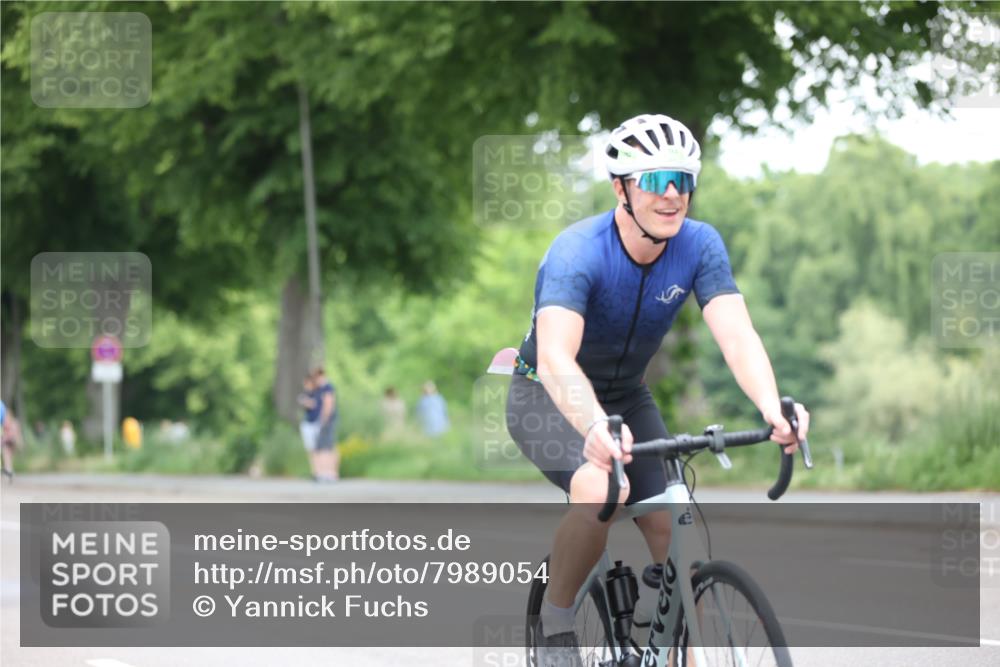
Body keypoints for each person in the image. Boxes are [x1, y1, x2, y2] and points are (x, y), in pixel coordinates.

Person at [505, 113, 810, 666]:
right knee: (601, 490)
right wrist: (593, 428)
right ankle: (555, 625)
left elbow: (737, 334)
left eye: (682, 180)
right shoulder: (579, 253)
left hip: (627, 397)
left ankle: (660, 640)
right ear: (621, 188)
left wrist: (773, 408)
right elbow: (555, 358)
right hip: (546, 395)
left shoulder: (699, 245)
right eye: (653, 180)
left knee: (677, 529)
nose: (671, 194)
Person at [311, 367, 339, 482]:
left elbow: (328, 403)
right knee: (324, 447)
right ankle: (325, 472)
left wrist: (324, 418)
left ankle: (330, 473)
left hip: (326, 420)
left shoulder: (327, 387)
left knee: (327, 447)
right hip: (325, 420)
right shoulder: (322, 388)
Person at [297, 374, 321, 478]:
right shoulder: (305, 394)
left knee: (319, 448)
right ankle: (314, 471)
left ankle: (321, 470)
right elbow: (303, 401)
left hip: (317, 423)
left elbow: (314, 404)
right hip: (307, 423)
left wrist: (308, 402)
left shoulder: (318, 393)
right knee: (310, 449)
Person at [2, 407, 23, 481]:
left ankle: (8, 470)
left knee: (7, 456)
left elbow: (3, 433)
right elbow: (18, 433)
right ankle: (9, 470)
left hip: (7, 441)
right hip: (12, 441)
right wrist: (20, 442)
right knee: (9, 456)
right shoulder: (15, 422)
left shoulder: (5, 422)